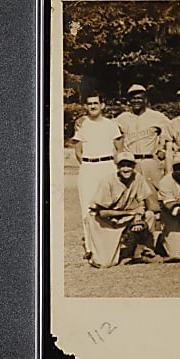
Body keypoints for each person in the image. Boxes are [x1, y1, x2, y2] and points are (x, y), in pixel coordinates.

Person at [71, 92, 122, 257]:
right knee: (87, 206)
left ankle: (110, 245)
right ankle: (90, 247)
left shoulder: (111, 125)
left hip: (107, 166)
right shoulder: (81, 125)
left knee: (110, 205)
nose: (93, 106)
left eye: (95, 103)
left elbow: (119, 149)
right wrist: (89, 164)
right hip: (88, 167)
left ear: (102, 105)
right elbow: (78, 152)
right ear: (86, 106)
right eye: (89, 103)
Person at [84, 152, 156, 268]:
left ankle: (141, 250)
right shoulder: (108, 181)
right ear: (117, 167)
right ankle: (102, 252)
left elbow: (142, 202)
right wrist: (130, 213)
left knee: (149, 215)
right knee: (105, 263)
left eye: (129, 165)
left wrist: (137, 216)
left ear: (134, 166)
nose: (126, 169)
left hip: (126, 217)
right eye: (122, 166)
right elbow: (102, 213)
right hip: (104, 222)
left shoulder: (138, 178)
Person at [115, 83, 172, 213]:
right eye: (133, 98)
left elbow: (171, 130)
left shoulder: (157, 117)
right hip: (131, 163)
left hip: (150, 161)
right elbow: (109, 131)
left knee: (154, 199)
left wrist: (162, 147)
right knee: (132, 198)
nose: (136, 101)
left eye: (139, 98)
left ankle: (156, 223)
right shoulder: (122, 118)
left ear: (145, 99)